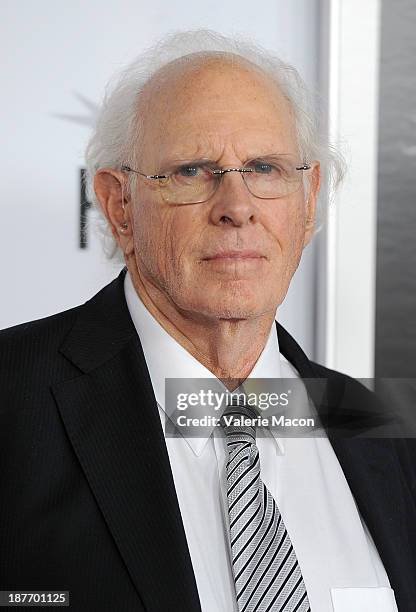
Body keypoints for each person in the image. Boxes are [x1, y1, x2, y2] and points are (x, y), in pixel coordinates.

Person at [0, 30, 414, 612]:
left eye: (265, 168)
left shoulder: (380, 434)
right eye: (193, 171)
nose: (237, 206)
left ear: (309, 197)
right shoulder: (13, 401)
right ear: (120, 205)